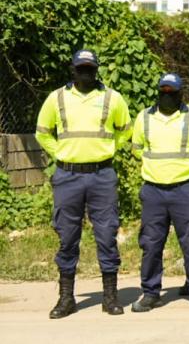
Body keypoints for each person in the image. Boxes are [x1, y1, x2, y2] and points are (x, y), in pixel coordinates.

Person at [35, 49, 132, 319]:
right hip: (68, 176)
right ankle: (66, 298)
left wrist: (107, 150)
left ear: (96, 69)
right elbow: (42, 133)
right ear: (73, 69)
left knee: (107, 235)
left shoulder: (113, 98)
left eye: (90, 68)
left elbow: (126, 130)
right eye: (81, 68)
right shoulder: (56, 98)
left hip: (102, 175)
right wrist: (60, 153)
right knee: (67, 236)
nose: (85, 73)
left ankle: (110, 297)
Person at [129, 74, 189, 312]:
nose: (167, 95)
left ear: (180, 93)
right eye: (163, 91)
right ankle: (150, 293)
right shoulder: (144, 117)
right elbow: (137, 149)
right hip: (153, 189)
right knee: (151, 244)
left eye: (172, 92)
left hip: (185, 189)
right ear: (158, 92)